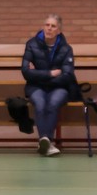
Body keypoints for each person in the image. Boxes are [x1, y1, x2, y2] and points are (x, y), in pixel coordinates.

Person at [22, 14, 76, 156]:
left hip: (59, 87)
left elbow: (67, 75)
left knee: (53, 103)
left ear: (59, 30)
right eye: (47, 25)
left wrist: (38, 74)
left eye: (53, 26)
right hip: (36, 87)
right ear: (43, 27)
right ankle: (47, 142)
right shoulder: (31, 44)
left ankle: (44, 141)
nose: (49, 28)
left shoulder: (66, 49)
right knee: (40, 103)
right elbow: (26, 72)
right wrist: (50, 74)